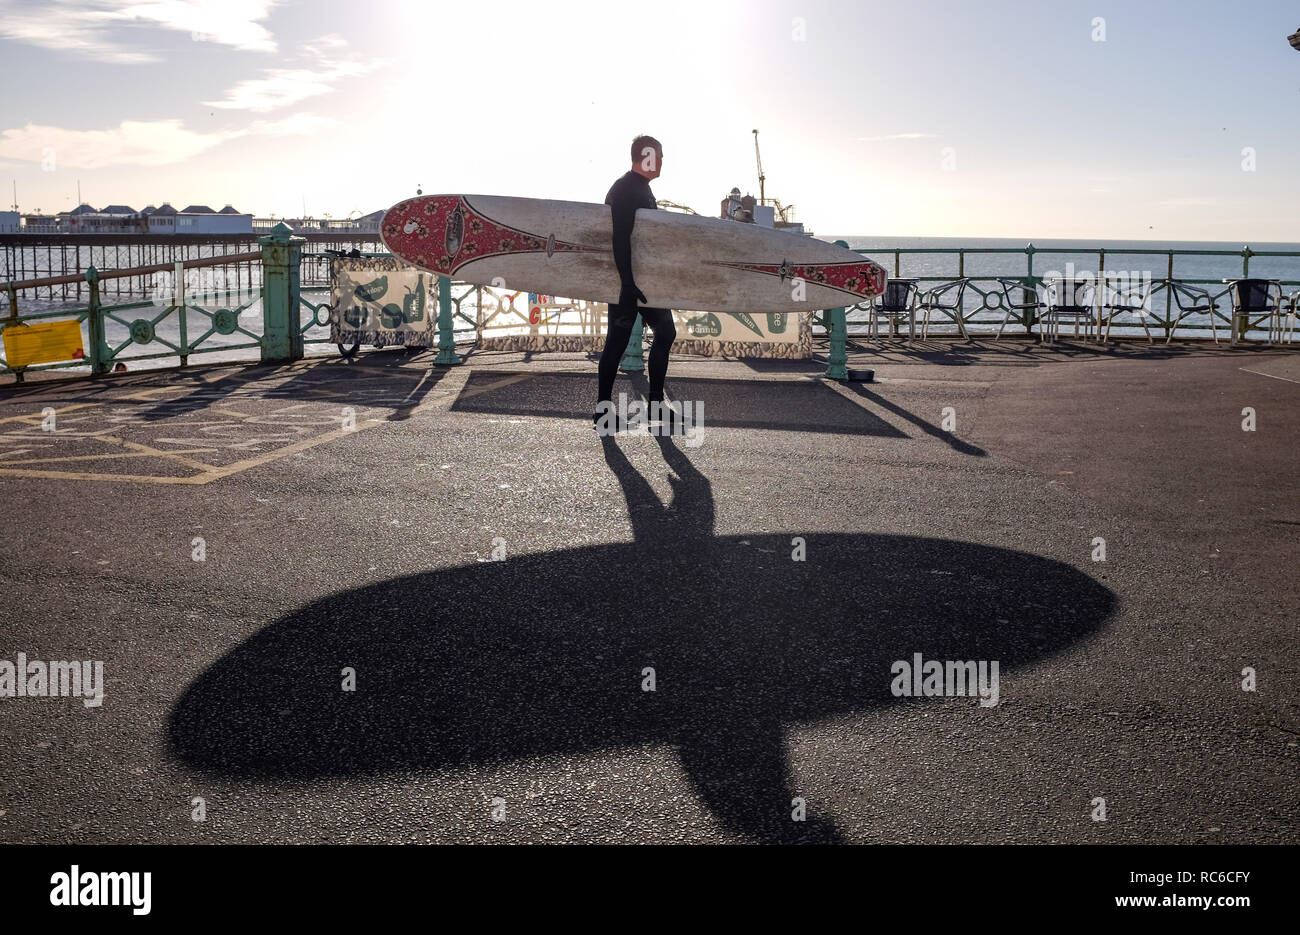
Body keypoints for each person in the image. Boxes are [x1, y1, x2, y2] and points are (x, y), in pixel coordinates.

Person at [595, 134, 676, 429]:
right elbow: (619, 238)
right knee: (616, 344)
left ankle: (654, 406)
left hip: (644, 282)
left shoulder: (642, 188)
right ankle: (603, 411)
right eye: (660, 155)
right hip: (627, 283)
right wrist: (626, 283)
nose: (663, 160)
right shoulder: (627, 189)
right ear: (647, 155)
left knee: (666, 333)